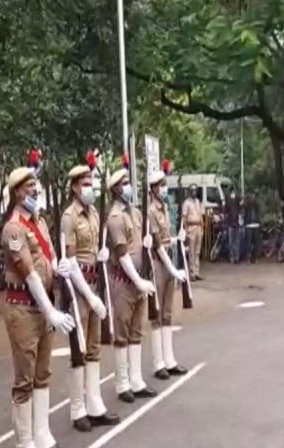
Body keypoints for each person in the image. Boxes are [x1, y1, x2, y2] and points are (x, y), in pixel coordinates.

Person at [1, 166, 74, 448]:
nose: (34, 190)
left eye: (35, 185)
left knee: (42, 374)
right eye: (29, 186)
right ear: (17, 191)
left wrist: (61, 268)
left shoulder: (39, 221)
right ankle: (24, 445)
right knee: (25, 378)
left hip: (43, 305)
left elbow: (48, 259)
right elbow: (29, 274)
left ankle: (42, 437)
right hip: (24, 308)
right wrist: (51, 312)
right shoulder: (13, 229)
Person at [58, 163, 120, 432]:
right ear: (74, 187)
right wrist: (89, 296)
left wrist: (103, 257)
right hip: (79, 288)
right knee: (79, 348)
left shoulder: (94, 213)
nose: (90, 187)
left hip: (96, 282)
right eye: (85, 183)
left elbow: (96, 248)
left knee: (94, 347)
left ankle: (94, 404)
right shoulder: (69, 217)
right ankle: (77, 409)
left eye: (91, 182)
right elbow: (70, 262)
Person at [105, 167, 158, 402]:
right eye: (124, 183)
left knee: (137, 331)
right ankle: (122, 382)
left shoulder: (136, 213)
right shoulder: (115, 217)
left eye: (129, 181)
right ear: (115, 189)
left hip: (139, 279)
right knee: (122, 332)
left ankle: (136, 379)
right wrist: (138, 281)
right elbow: (123, 254)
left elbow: (140, 246)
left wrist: (147, 245)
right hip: (124, 281)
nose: (128, 186)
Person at [146, 170, 189, 379]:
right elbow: (156, 245)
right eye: (160, 185)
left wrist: (176, 240)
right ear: (153, 188)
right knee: (157, 312)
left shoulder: (164, 208)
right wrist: (172, 268)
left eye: (164, 184)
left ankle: (169, 358)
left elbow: (165, 240)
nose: (164, 188)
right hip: (158, 263)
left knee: (167, 313)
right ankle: (158, 362)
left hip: (168, 258)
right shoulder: (151, 211)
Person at [181, 184, 204, 280]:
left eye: (195, 190)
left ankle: (197, 272)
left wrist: (202, 227)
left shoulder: (198, 202)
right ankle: (192, 273)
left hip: (198, 227)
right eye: (192, 190)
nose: (194, 192)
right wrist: (185, 231)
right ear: (190, 192)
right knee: (191, 251)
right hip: (191, 228)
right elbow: (184, 217)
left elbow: (201, 215)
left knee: (197, 252)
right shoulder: (186, 203)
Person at [242, 191, 261, 263]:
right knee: (251, 243)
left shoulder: (253, 204)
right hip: (251, 225)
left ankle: (252, 257)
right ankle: (252, 257)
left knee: (252, 243)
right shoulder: (248, 205)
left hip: (252, 224)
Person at [224, 188, 242, 263]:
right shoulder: (229, 202)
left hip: (234, 224)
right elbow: (226, 212)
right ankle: (233, 257)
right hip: (231, 224)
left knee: (235, 242)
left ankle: (235, 257)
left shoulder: (236, 201)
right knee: (233, 242)